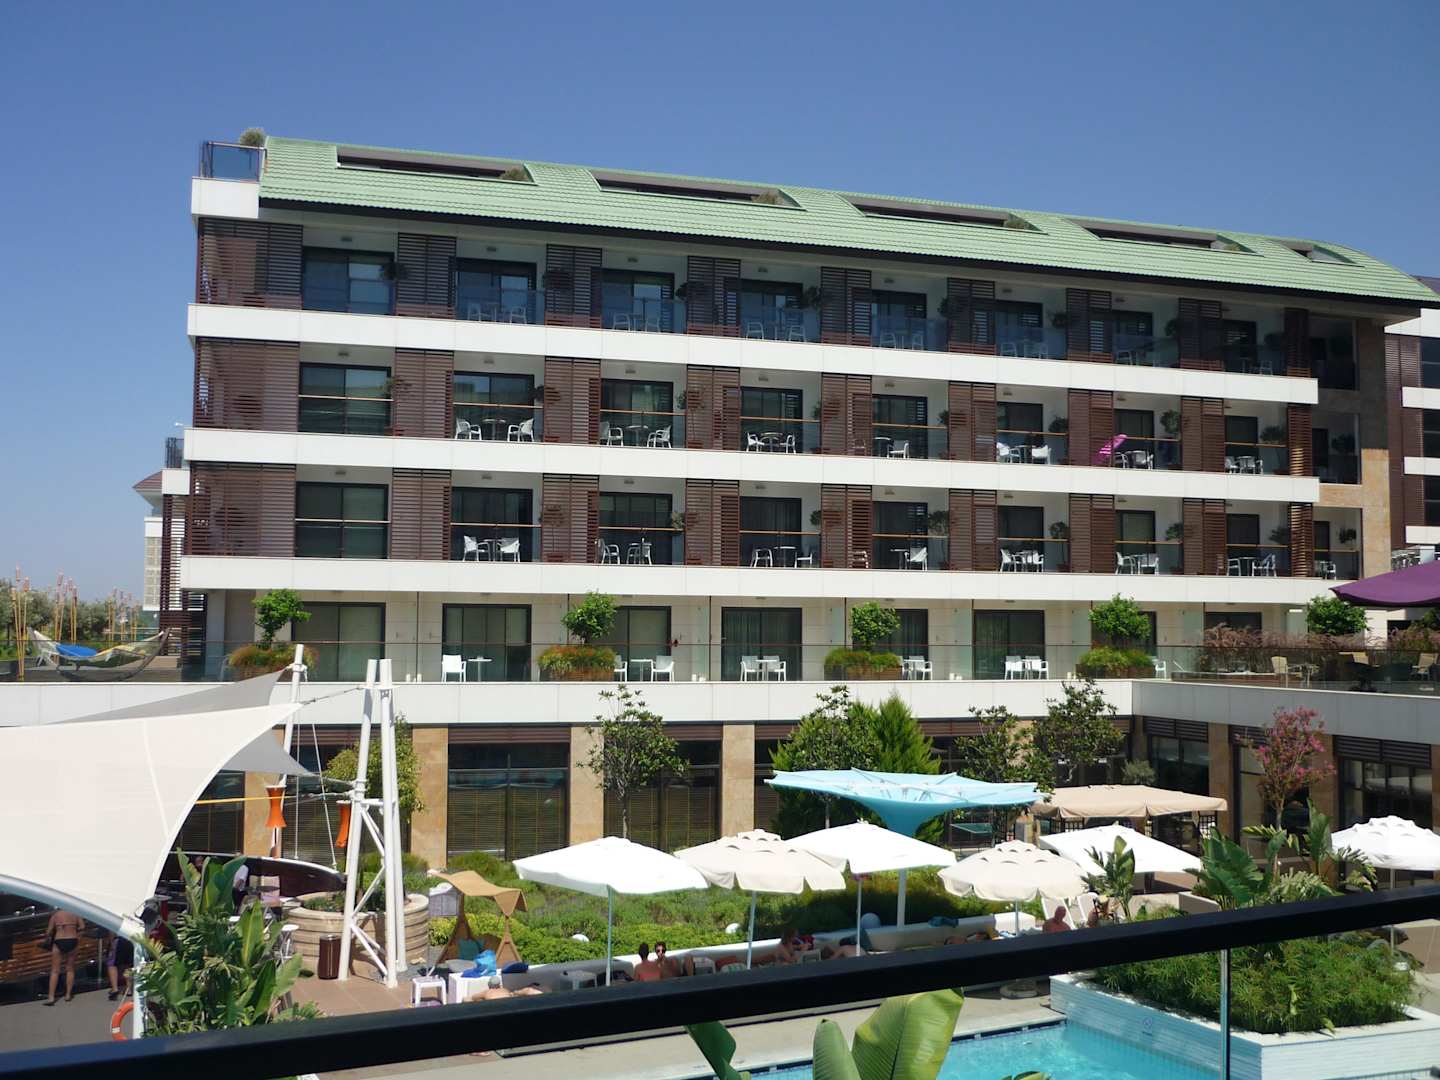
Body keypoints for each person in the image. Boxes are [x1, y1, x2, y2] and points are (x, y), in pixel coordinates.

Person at [44, 908, 83, 1005]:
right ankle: (68, 994)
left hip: (59, 939)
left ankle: (51, 997)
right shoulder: (75, 912)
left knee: (55, 970)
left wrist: (48, 937)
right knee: (70, 969)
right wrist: (78, 936)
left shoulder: (56, 915)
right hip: (72, 939)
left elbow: (49, 931)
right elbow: (82, 926)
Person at [106, 933, 136, 1001]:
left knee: (111, 964)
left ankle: (115, 989)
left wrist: (111, 942)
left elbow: (112, 930)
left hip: (119, 940)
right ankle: (128, 989)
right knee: (129, 964)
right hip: (132, 940)